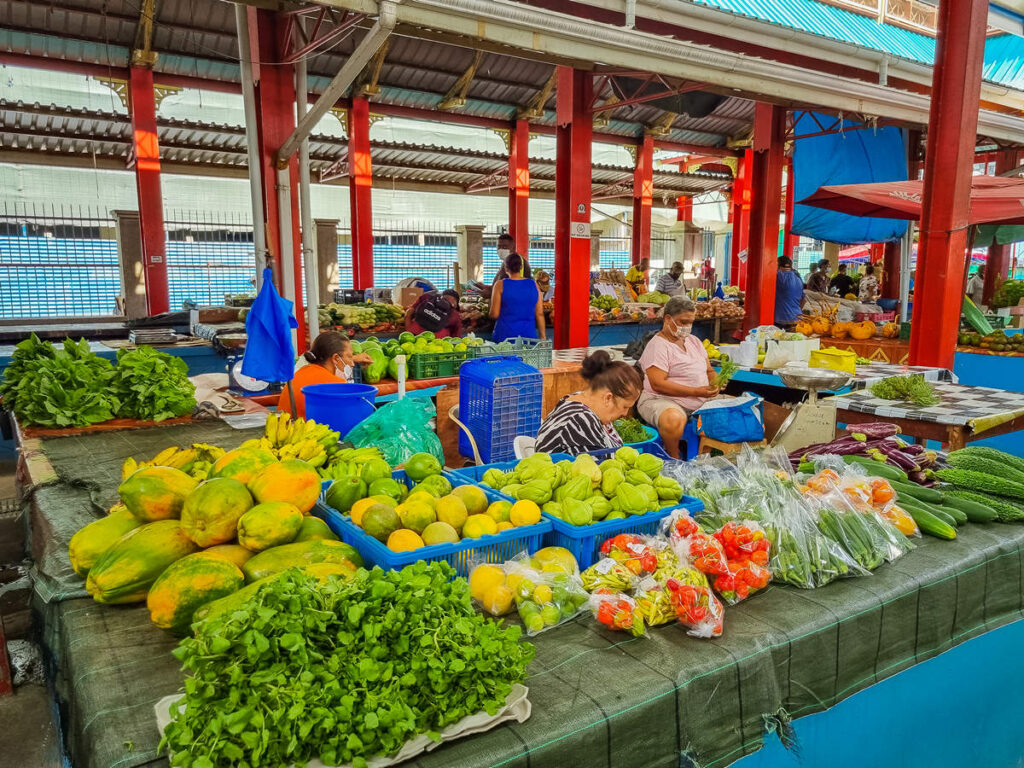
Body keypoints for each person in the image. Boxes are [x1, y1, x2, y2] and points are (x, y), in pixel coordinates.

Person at [637, 296, 718, 459]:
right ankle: (674, 458)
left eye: (691, 322)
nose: (687, 327)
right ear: (668, 319)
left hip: (699, 401)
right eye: (683, 322)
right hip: (660, 399)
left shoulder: (694, 341)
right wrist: (696, 391)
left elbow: (709, 370)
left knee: (739, 408)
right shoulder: (658, 345)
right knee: (673, 418)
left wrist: (716, 383)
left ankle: (708, 457)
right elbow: (658, 384)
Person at [535, 350, 642, 454]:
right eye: (625, 407)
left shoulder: (580, 399)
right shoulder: (581, 420)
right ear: (608, 398)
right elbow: (597, 467)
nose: (625, 413)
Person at [277, 332, 372, 418]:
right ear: (335, 358)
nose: (352, 364)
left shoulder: (300, 372)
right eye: (349, 357)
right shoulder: (335, 384)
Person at [490, 252, 545, 341]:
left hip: (505, 336)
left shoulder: (500, 285)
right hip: (528, 336)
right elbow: (539, 313)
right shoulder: (533, 284)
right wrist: (543, 337)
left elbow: (494, 314)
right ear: (521, 267)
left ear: (506, 268)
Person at [775, 255, 804, 329]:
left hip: (782, 319)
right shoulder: (798, 279)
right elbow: (804, 299)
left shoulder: (779, 276)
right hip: (797, 318)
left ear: (778, 266)